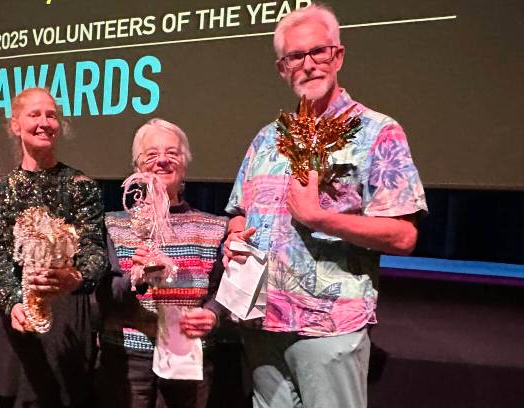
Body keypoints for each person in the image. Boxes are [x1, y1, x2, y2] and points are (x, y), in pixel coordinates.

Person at [223, 5, 428, 407]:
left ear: (338, 56)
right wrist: (234, 237)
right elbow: (240, 213)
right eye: (296, 57)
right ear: (283, 68)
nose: (309, 65)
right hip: (261, 322)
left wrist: (320, 218)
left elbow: (404, 236)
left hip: (329, 326)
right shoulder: (267, 138)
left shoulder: (377, 132)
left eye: (319, 52)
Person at [0, 87, 108, 407]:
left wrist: (74, 278)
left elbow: (95, 252)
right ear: (16, 124)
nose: (45, 122)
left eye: (51, 115)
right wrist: (14, 304)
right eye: (35, 114)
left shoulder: (81, 186)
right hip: (10, 315)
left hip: (64, 315)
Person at [96, 118, 227, 408]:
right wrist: (137, 277)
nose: (163, 161)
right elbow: (104, 295)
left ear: (185, 163)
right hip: (128, 358)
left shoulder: (214, 225)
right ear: (137, 167)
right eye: (151, 155)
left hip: (189, 359)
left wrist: (213, 315)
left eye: (172, 153)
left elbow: (225, 290)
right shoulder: (113, 225)